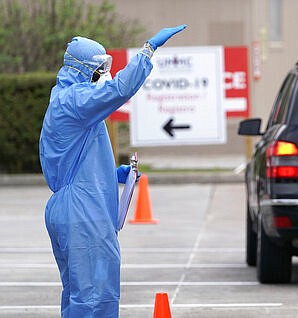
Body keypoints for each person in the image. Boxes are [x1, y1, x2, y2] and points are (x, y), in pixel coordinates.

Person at [39, 25, 187, 318]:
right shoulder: (76, 100)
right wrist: (148, 50)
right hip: (84, 213)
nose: (103, 73)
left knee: (79, 297)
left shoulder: (65, 98)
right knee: (96, 298)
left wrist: (110, 173)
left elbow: (76, 158)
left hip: (72, 206)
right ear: (81, 68)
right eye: (99, 67)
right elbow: (120, 89)